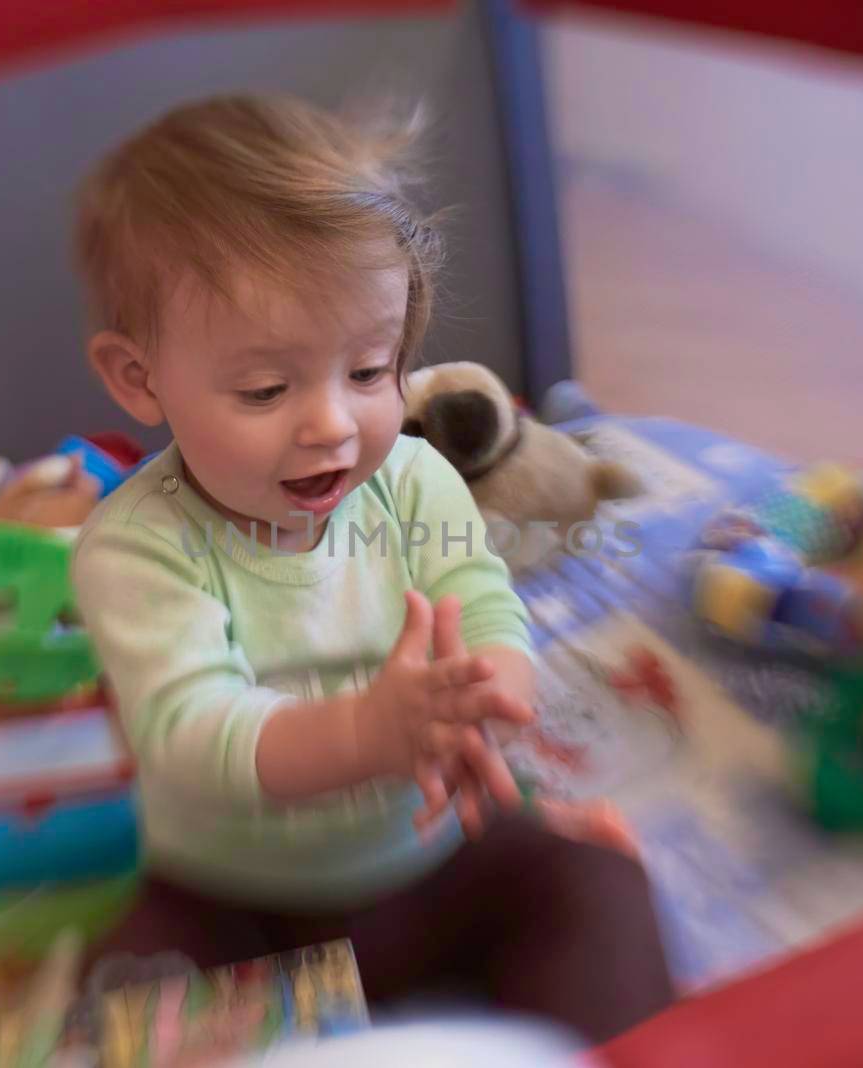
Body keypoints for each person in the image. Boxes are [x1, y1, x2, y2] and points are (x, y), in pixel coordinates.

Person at [70, 93, 673, 1043]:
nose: (333, 425)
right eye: (267, 388)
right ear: (138, 378)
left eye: (368, 370)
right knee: (124, 995)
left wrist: (491, 692)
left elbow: (480, 599)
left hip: (430, 860)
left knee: (594, 884)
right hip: (235, 902)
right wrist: (366, 732)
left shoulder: (416, 480)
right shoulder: (135, 548)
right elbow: (192, 730)